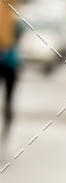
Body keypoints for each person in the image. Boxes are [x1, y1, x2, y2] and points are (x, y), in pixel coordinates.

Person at [0, 0, 22, 143]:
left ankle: (7, 119)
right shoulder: (14, 18)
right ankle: (7, 121)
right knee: (9, 97)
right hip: (11, 62)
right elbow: (19, 35)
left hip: (7, 61)